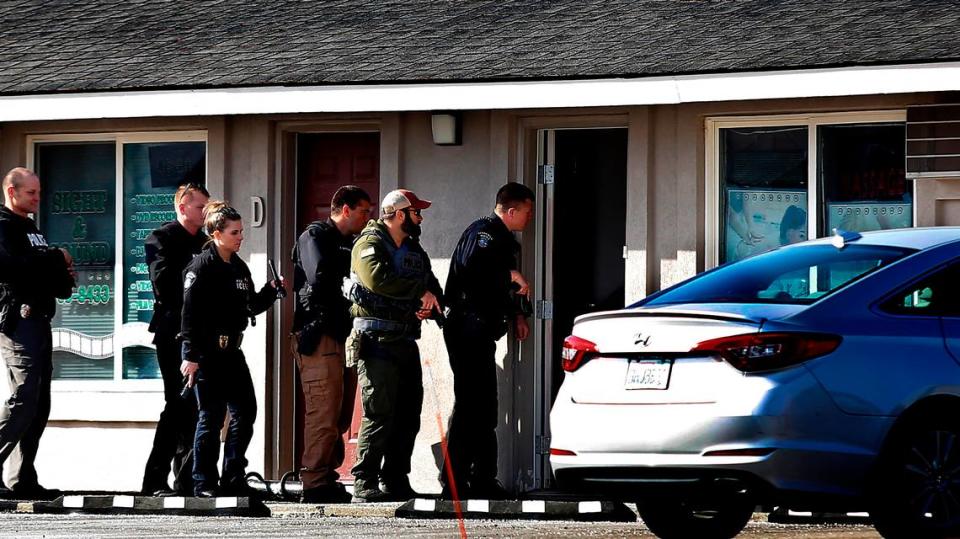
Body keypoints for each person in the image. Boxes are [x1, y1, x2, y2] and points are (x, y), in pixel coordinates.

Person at [179, 201, 283, 497]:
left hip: (232, 353)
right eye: (235, 232)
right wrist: (190, 356)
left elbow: (250, 304)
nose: (240, 237)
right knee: (210, 417)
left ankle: (233, 476)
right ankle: (204, 483)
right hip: (206, 353)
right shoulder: (201, 267)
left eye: (241, 231)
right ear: (216, 233)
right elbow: (189, 315)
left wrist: (271, 292)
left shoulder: (239, 266)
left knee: (245, 411)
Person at [346, 189, 443, 503]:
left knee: (408, 414)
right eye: (416, 212)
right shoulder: (369, 243)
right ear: (400, 214)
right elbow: (378, 281)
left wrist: (430, 301)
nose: (421, 218)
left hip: (405, 340)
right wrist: (419, 294)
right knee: (378, 412)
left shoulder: (414, 249)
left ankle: (395, 479)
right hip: (376, 341)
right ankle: (364, 481)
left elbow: (432, 285)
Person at [440, 182, 534, 500]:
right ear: (510, 210)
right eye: (527, 211)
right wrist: (508, 276)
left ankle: (482, 478)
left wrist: (518, 315)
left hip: (481, 331)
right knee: (471, 404)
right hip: (466, 328)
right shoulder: (483, 234)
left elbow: (501, 290)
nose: (530, 218)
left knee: (485, 406)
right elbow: (472, 273)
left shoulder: (503, 241)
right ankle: (455, 481)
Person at [291, 185, 372, 503]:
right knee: (322, 410)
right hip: (317, 333)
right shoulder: (315, 237)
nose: (369, 218)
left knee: (338, 414)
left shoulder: (349, 243)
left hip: (340, 333)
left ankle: (327, 474)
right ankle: (313, 481)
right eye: (364, 211)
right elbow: (319, 279)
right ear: (346, 209)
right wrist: (347, 288)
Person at [0, 167, 75, 499]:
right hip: (18, 320)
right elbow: (9, 267)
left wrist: (57, 265)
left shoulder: (32, 229)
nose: (38, 198)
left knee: (39, 404)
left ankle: (22, 479)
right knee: (23, 398)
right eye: (31, 192)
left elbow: (58, 282)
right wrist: (51, 258)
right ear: (11, 191)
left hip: (41, 320)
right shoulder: (3, 225)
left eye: (39, 192)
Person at [140, 183, 209, 497]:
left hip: (200, 334)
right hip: (172, 333)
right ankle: (154, 480)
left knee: (197, 409)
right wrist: (197, 271)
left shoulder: (207, 242)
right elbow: (164, 284)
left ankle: (187, 480)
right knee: (177, 405)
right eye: (200, 208)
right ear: (183, 208)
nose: (205, 213)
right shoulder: (162, 238)